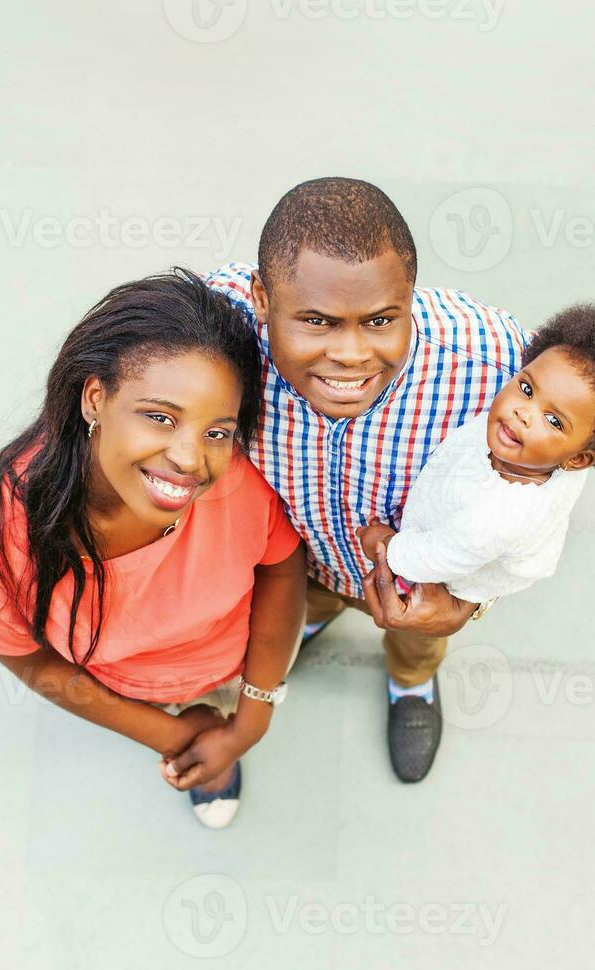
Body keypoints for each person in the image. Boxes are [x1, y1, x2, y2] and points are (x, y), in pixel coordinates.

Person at [0, 270, 306, 829]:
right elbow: (27, 657)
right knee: (205, 756)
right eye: (159, 417)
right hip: (123, 684)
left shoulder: (237, 483)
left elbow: (282, 569)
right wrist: (170, 734)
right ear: (95, 398)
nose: (191, 458)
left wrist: (251, 717)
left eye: (217, 430)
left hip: (233, 662)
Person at [207, 177, 526, 783]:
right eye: (318, 321)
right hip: (293, 560)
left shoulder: (496, 366)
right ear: (262, 300)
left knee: (418, 643)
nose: (351, 354)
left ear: (412, 298)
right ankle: (310, 620)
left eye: (381, 320)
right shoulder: (211, 327)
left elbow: (547, 486)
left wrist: (469, 603)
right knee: (302, 601)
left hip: (416, 582)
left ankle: (412, 687)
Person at [358, 304, 595, 607]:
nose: (523, 413)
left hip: (440, 577)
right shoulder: (546, 449)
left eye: (553, 420)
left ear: (578, 461)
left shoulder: (496, 517)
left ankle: (411, 666)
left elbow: (436, 556)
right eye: (526, 388)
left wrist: (387, 547)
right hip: (453, 520)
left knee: (415, 645)